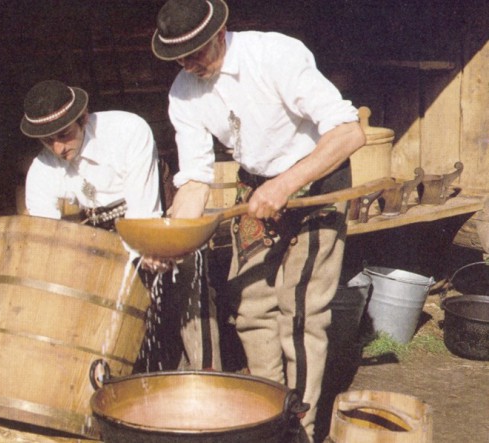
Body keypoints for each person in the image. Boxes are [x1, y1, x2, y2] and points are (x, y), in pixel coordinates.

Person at [0, 79, 221, 432]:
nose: (58, 148)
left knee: (190, 272)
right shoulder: (43, 170)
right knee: (31, 291)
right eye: (48, 140)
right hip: (94, 244)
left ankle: (209, 387)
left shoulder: (127, 131)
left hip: (150, 229)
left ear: (83, 118)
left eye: (64, 135)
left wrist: (147, 250)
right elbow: (47, 242)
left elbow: (142, 213)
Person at [151, 1, 366, 441]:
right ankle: (269, 415)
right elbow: (194, 179)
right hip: (256, 188)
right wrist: (172, 241)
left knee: (301, 310)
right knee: (249, 305)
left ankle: (299, 426)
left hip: (317, 179)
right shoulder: (183, 91)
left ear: (221, 32)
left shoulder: (274, 55)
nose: (189, 65)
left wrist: (285, 185)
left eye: (196, 52)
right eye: (179, 58)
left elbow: (349, 133)